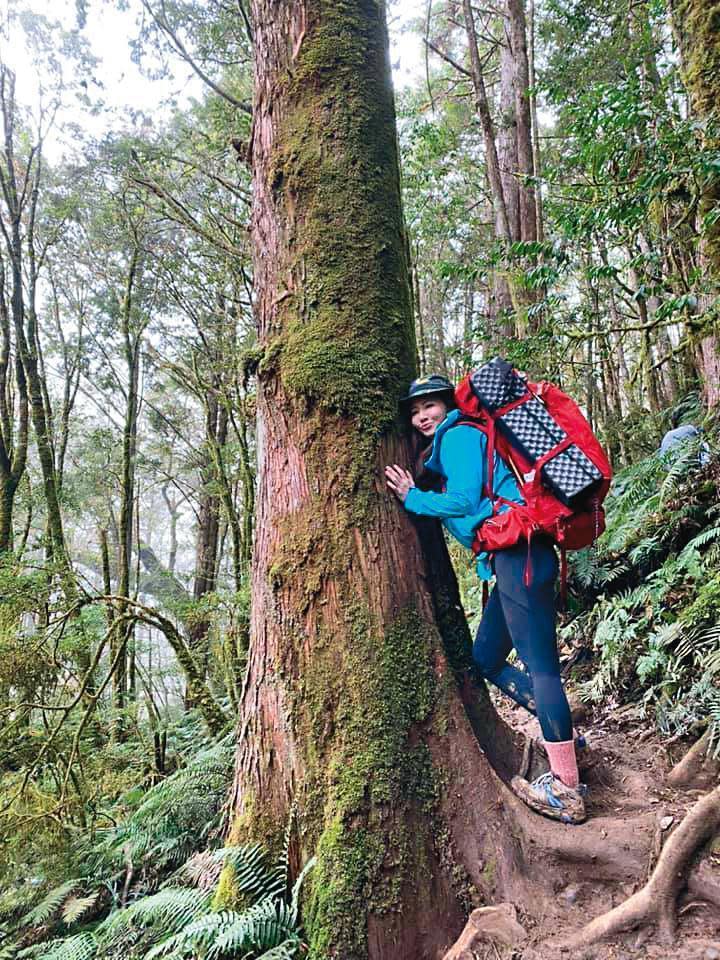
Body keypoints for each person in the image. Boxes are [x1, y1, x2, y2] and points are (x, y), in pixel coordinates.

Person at [385, 373, 587, 825]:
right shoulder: (454, 441)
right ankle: (568, 743)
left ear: (448, 405)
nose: (422, 417)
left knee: (543, 668)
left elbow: (461, 500)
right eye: (415, 412)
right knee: (487, 657)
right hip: (512, 563)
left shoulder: (458, 436)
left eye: (430, 406)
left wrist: (411, 496)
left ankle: (567, 788)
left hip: (522, 557)